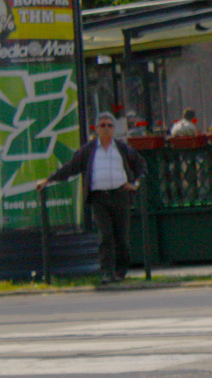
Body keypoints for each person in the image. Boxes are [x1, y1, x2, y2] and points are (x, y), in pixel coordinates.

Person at [36, 112, 146, 285]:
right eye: (103, 126)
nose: (107, 129)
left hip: (120, 196)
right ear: (96, 129)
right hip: (99, 198)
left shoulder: (122, 148)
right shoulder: (89, 150)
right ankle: (106, 272)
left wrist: (135, 183)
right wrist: (49, 180)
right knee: (106, 235)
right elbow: (70, 167)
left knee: (121, 237)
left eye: (110, 126)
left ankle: (120, 271)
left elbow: (140, 164)